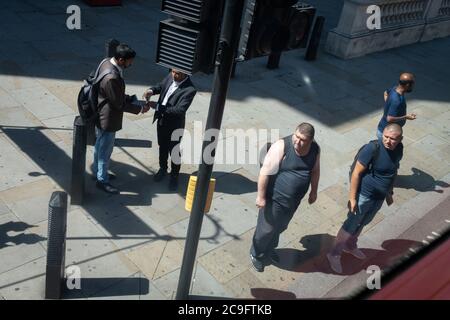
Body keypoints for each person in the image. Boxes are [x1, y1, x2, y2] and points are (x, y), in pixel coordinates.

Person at [327, 123, 404, 274]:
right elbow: (356, 173)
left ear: (400, 139)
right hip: (364, 195)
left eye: (393, 139)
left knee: (363, 222)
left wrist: (390, 193)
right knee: (351, 224)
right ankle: (334, 254)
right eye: (386, 137)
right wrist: (353, 198)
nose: (388, 141)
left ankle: (350, 246)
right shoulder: (372, 149)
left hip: (379, 197)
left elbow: (393, 171)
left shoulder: (399, 149)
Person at [250, 123, 320, 272]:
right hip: (274, 199)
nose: (297, 141)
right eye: (296, 136)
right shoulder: (282, 146)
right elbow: (265, 172)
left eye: (303, 140)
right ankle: (256, 253)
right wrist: (260, 197)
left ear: (310, 140)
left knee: (280, 227)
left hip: (293, 202)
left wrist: (314, 191)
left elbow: (315, 171)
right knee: (266, 229)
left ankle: (269, 250)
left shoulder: (315, 149)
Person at [93, 44, 149, 194]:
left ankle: (97, 172)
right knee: (105, 150)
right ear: (120, 59)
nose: (131, 64)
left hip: (100, 112)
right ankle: (102, 180)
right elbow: (117, 103)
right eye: (130, 61)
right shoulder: (112, 77)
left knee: (99, 145)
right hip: (107, 118)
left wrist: (129, 98)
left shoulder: (106, 62)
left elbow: (114, 95)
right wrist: (139, 108)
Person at [143, 69, 197, 190]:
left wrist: (157, 107)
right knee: (162, 146)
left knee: (174, 150)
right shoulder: (170, 77)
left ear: (185, 73)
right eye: (172, 72)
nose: (174, 75)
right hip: (162, 121)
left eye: (177, 73)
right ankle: (163, 168)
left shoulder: (190, 90)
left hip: (175, 125)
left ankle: (174, 175)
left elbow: (179, 110)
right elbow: (161, 86)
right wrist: (151, 90)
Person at [377, 72, 417, 140]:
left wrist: (389, 105)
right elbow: (389, 119)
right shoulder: (396, 101)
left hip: (386, 129)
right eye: (412, 84)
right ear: (407, 85)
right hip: (387, 135)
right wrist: (406, 117)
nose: (413, 86)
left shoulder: (395, 88)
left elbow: (385, 93)